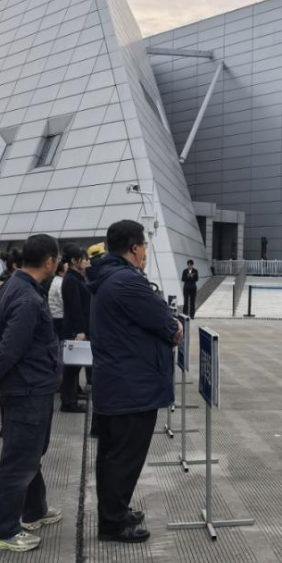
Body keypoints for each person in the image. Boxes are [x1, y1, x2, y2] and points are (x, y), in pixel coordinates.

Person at [90, 220, 183, 544]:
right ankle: (113, 523)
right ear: (133, 247)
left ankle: (115, 511)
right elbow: (167, 324)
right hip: (131, 386)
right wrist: (174, 328)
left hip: (118, 382)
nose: (145, 252)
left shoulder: (108, 278)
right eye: (144, 245)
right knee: (124, 457)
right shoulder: (127, 282)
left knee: (114, 455)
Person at [0, 234, 63, 552]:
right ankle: (2, 530)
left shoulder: (18, 286)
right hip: (28, 388)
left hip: (31, 385)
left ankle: (34, 510)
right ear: (49, 262)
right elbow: (11, 344)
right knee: (19, 459)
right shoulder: (27, 297)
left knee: (31, 453)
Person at [59, 244, 91, 413]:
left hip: (78, 327)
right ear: (74, 260)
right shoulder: (71, 279)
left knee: (75, 366)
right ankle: (68, 402)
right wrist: (80, 331)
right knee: (71, 368)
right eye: (83, 259)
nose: (86, 262)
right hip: (75, 329)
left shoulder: (77, 277)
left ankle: (72, 396)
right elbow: (75, 308)